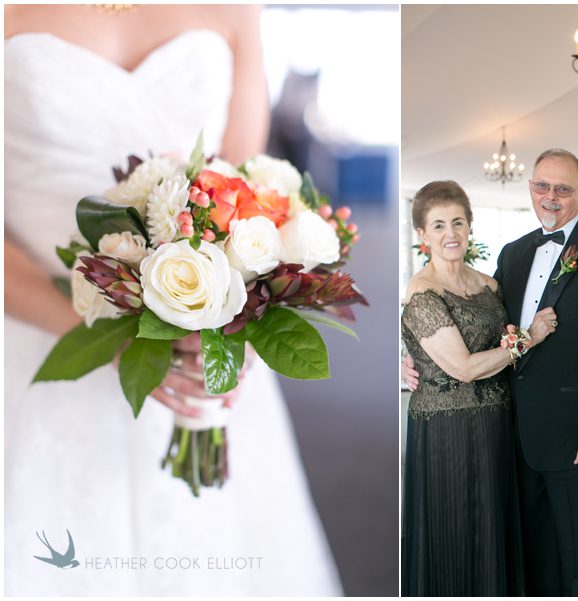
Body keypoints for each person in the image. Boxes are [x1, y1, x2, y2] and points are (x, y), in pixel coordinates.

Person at [5, 5, 340, 595]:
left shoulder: (236, 9)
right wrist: (106, 334)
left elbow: (245, 192)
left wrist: (228, 322)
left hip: (197, 346)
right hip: (35, 330)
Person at [403, 149, 578, 595]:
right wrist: (417, 356)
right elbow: (484, 334)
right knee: (528, 559)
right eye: (542, 186)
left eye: (563, 188)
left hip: (577, 438)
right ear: (530, 188)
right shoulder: (513, 256)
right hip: (508, 437)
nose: (550, 197)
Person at [401, 180, 557, 596]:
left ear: (470, 226)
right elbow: (465, 368)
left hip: (496, 423)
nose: (449, 233)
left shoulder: (490, 285)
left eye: (457, 222)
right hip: (445, 430)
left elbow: (496, 342)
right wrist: (531, 338)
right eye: (438, 226)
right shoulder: (422, 293)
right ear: (422, 235)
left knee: (494, 525)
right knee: (454, 529)